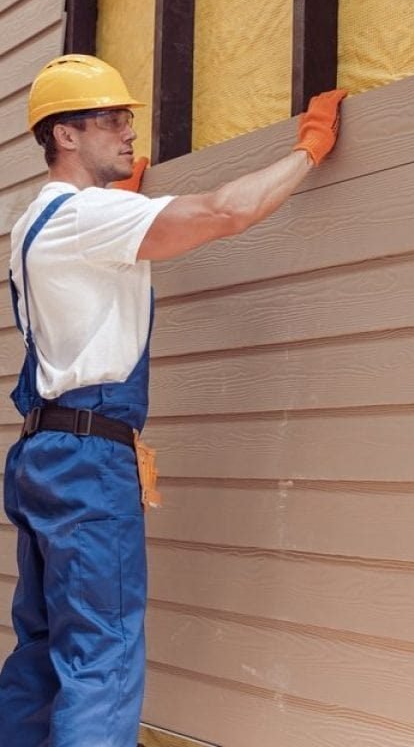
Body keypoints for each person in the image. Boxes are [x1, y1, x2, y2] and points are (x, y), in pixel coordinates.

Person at [0, 53, 346, 747]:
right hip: (90, 461)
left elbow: (96, 262)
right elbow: (225, 212)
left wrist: (127, 192)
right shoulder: (88, 217)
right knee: (102, 655)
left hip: (41, 453)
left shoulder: (32, 223)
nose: (128, 130)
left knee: (44, 650)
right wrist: (306, 149)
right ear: (64, 135)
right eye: (111, 119)